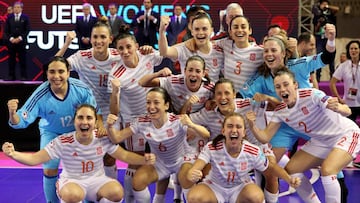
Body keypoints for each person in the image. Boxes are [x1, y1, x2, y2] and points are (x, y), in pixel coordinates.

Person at [240, 24, 339, 202]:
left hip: (313, 121)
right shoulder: (262, 77)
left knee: (332, 171)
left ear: (284, 53)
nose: (269, 54)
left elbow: (326, 57)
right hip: (286, 125)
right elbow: (239, 95)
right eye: (266, 51)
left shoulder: (298, 66)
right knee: (268, 165)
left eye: (274, 50)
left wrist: (330, 39)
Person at [246, 69, 360, 203]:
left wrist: (339, 108)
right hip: (321, 141)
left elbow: (347, 110)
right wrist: (252, 125)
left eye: (286, 84)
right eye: (278, 87)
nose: (282, 89)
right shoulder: (281, 111)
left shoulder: (311, 95)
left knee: (328, 171)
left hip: (346, 134)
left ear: (295, 85)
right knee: (291, 170)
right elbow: (264, 137)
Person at [2, 104, 156, 203]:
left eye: (89, 118)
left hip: (97, 181)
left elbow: (124, 156)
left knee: (116, 192)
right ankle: (61, 188)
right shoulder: (63, 141)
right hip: (72, 182)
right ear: (74, 121)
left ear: (95, 122)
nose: (84, 122)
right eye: (80, 117)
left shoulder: (101, 139)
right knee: (72, 196)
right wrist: (13, 154)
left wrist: (145, 160)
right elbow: (35, 159)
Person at [6, 56, 98, 203]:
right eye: (52, 72)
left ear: (68, 73)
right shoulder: (40, 94)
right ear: (47, 74)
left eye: (61, 71)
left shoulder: (81, 89)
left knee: (85, 169)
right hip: (51, 133)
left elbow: (93, 114)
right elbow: (21, 120)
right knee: (49, 169)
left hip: (78, 133)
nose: (56, 76)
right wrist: (12, 113)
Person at [106, 87, 210, 203]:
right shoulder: (142, 122)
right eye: (148, 102)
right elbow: (117, 138)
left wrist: (192, 125)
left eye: (156, 102)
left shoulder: (177, 121)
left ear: (166, 105)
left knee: (186, 178)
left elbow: (206, 134)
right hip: (160, 163)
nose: (151, 107)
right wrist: (110, 127)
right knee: (138, 181)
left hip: (182, 160)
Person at [56, 18, 123, 181]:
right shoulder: (81, 57)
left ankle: (109, 190)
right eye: (95, 37)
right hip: (86, 114)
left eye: (102, 37)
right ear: (91, 38)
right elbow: (54, 67)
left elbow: (140, 61)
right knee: (82, 154)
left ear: (110, 39)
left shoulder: (119, 56)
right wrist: (66, 44)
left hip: (112, 112)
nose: (98, 41)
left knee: (108, 156)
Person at [186, 113, 301, 203]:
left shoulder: (253, 150)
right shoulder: (212, 147)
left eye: (238, 127)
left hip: (239, 188)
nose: (234, 130)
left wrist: (288, 179)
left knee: (256, 197)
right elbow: (197, 166)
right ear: (223, 131)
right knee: (194, 197)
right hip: (215, 187)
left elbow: (271, 168)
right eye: (230, 126)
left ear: (244, 133)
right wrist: (192, 173)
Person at [108, 25, 165, 203]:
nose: (125, 51)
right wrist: (116, 92)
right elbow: (114, 111)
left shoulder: (147, 55)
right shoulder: (115, 75)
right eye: (121, 48)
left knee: (164, 157)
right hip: (133, 121)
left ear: (136, 46)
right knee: (136, 160)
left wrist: (161, 31)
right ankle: (128, 199)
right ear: (116, 51)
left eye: (128, 47)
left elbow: (164, 53)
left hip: (156, 117)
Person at [159, 12, 224, 82]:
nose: (200, 33)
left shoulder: (219, 50)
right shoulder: (184, 48)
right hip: (188, 91)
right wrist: (162, 30)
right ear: (192, 31)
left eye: (204, 29)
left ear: (211, 30)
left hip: (212, 92)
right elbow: (164, 52)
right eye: (197, 29)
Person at [138, 55, 214, 114]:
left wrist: (212, 101)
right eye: (190, 70)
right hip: (175, 118)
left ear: (204, 73)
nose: (193, 74)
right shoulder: (174, 81)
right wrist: (158, 73)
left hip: (197, 121)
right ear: (185, 71)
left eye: (198, 71)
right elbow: (142, 82)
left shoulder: (210, 87)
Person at [215, 15, 263, 94]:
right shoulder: (225, 44)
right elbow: (206, 43)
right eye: (236, 27)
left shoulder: (260, 51)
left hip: (250, 100)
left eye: (243, 27)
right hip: (229, 99)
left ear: (250, 30)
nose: (239, 30)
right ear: (230, 32)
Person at [330, 40, 360, 123]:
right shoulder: (344, 66)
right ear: (348, 50)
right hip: (349, 104)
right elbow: (332, 83)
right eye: (351, 49)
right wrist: (339, 98)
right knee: (349, 130)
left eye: (356, 48)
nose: (353, 51)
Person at [312, 0, 339, 81]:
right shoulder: (317, 15)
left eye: (326, 3)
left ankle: (333, 77)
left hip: (329, 38)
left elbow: (337, 9)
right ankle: (318, 78)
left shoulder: (330, 13)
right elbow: (315, 30)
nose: (324, 5)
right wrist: (319, 23)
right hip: (320, 38)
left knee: (331, 58)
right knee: (319, 56)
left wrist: (327, 7)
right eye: (322, 4)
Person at [4, 1, 30, 81]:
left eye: (18, 7)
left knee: (22, 60)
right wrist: (11, 39)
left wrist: (19, 38)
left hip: (21, 42)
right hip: (11, 43)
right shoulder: (9, 17)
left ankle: (24, 76)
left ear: (21, 8)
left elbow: (27, 30)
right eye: (15, 7)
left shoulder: (25, 17)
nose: (16, 9)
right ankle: (11, 76)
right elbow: (6, 30)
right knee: (11, 60)